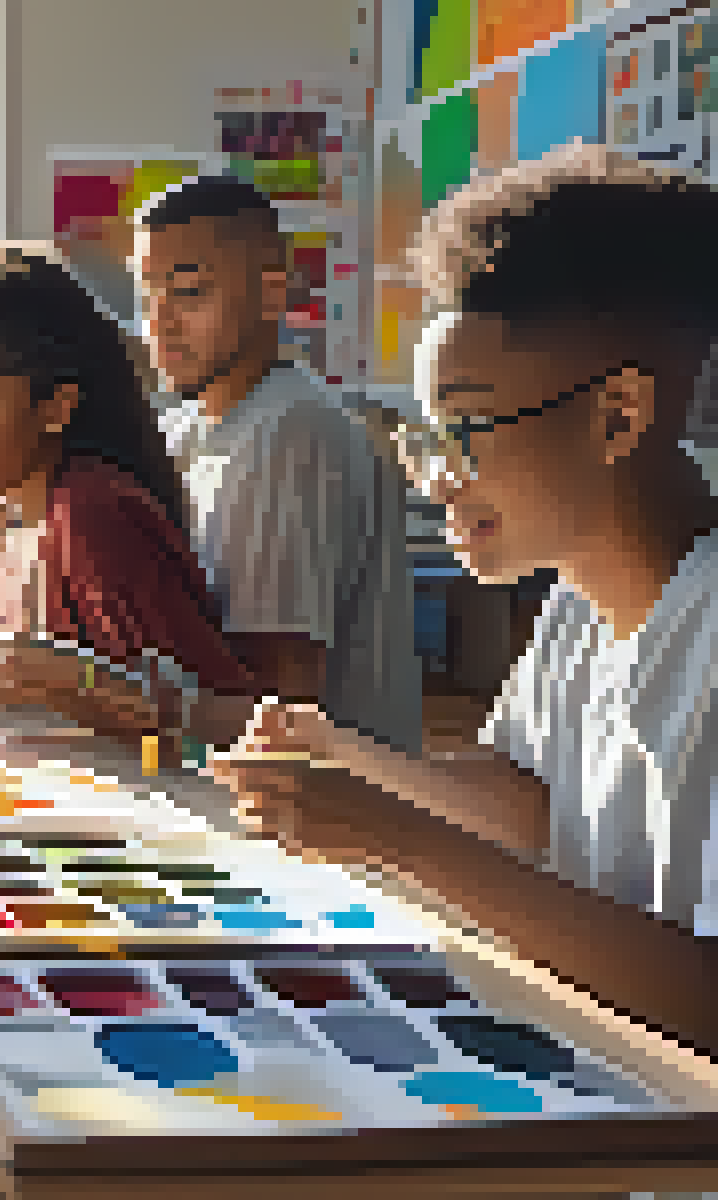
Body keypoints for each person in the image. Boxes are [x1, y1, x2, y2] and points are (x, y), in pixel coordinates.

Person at [215, 143, 718, 1057]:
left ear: (619, 416)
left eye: (470, 430)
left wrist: (403, 841)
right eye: (427, 437)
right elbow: (524, 799)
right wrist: (346, 759)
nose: (437, 480)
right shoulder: (577, 595)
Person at [0, 243, 254, 735]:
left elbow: (236, 717)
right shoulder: (12, 511)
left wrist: (112, 693)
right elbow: (24, 649)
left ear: (55, 410)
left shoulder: (92, 511)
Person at [133, 175, 424, 754]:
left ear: (273, 295)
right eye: (148, 296)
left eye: (189, 293)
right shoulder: (188, 426)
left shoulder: (291, 430)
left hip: (328, 810)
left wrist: (99, 691)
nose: (161, 323)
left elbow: (277, 697)